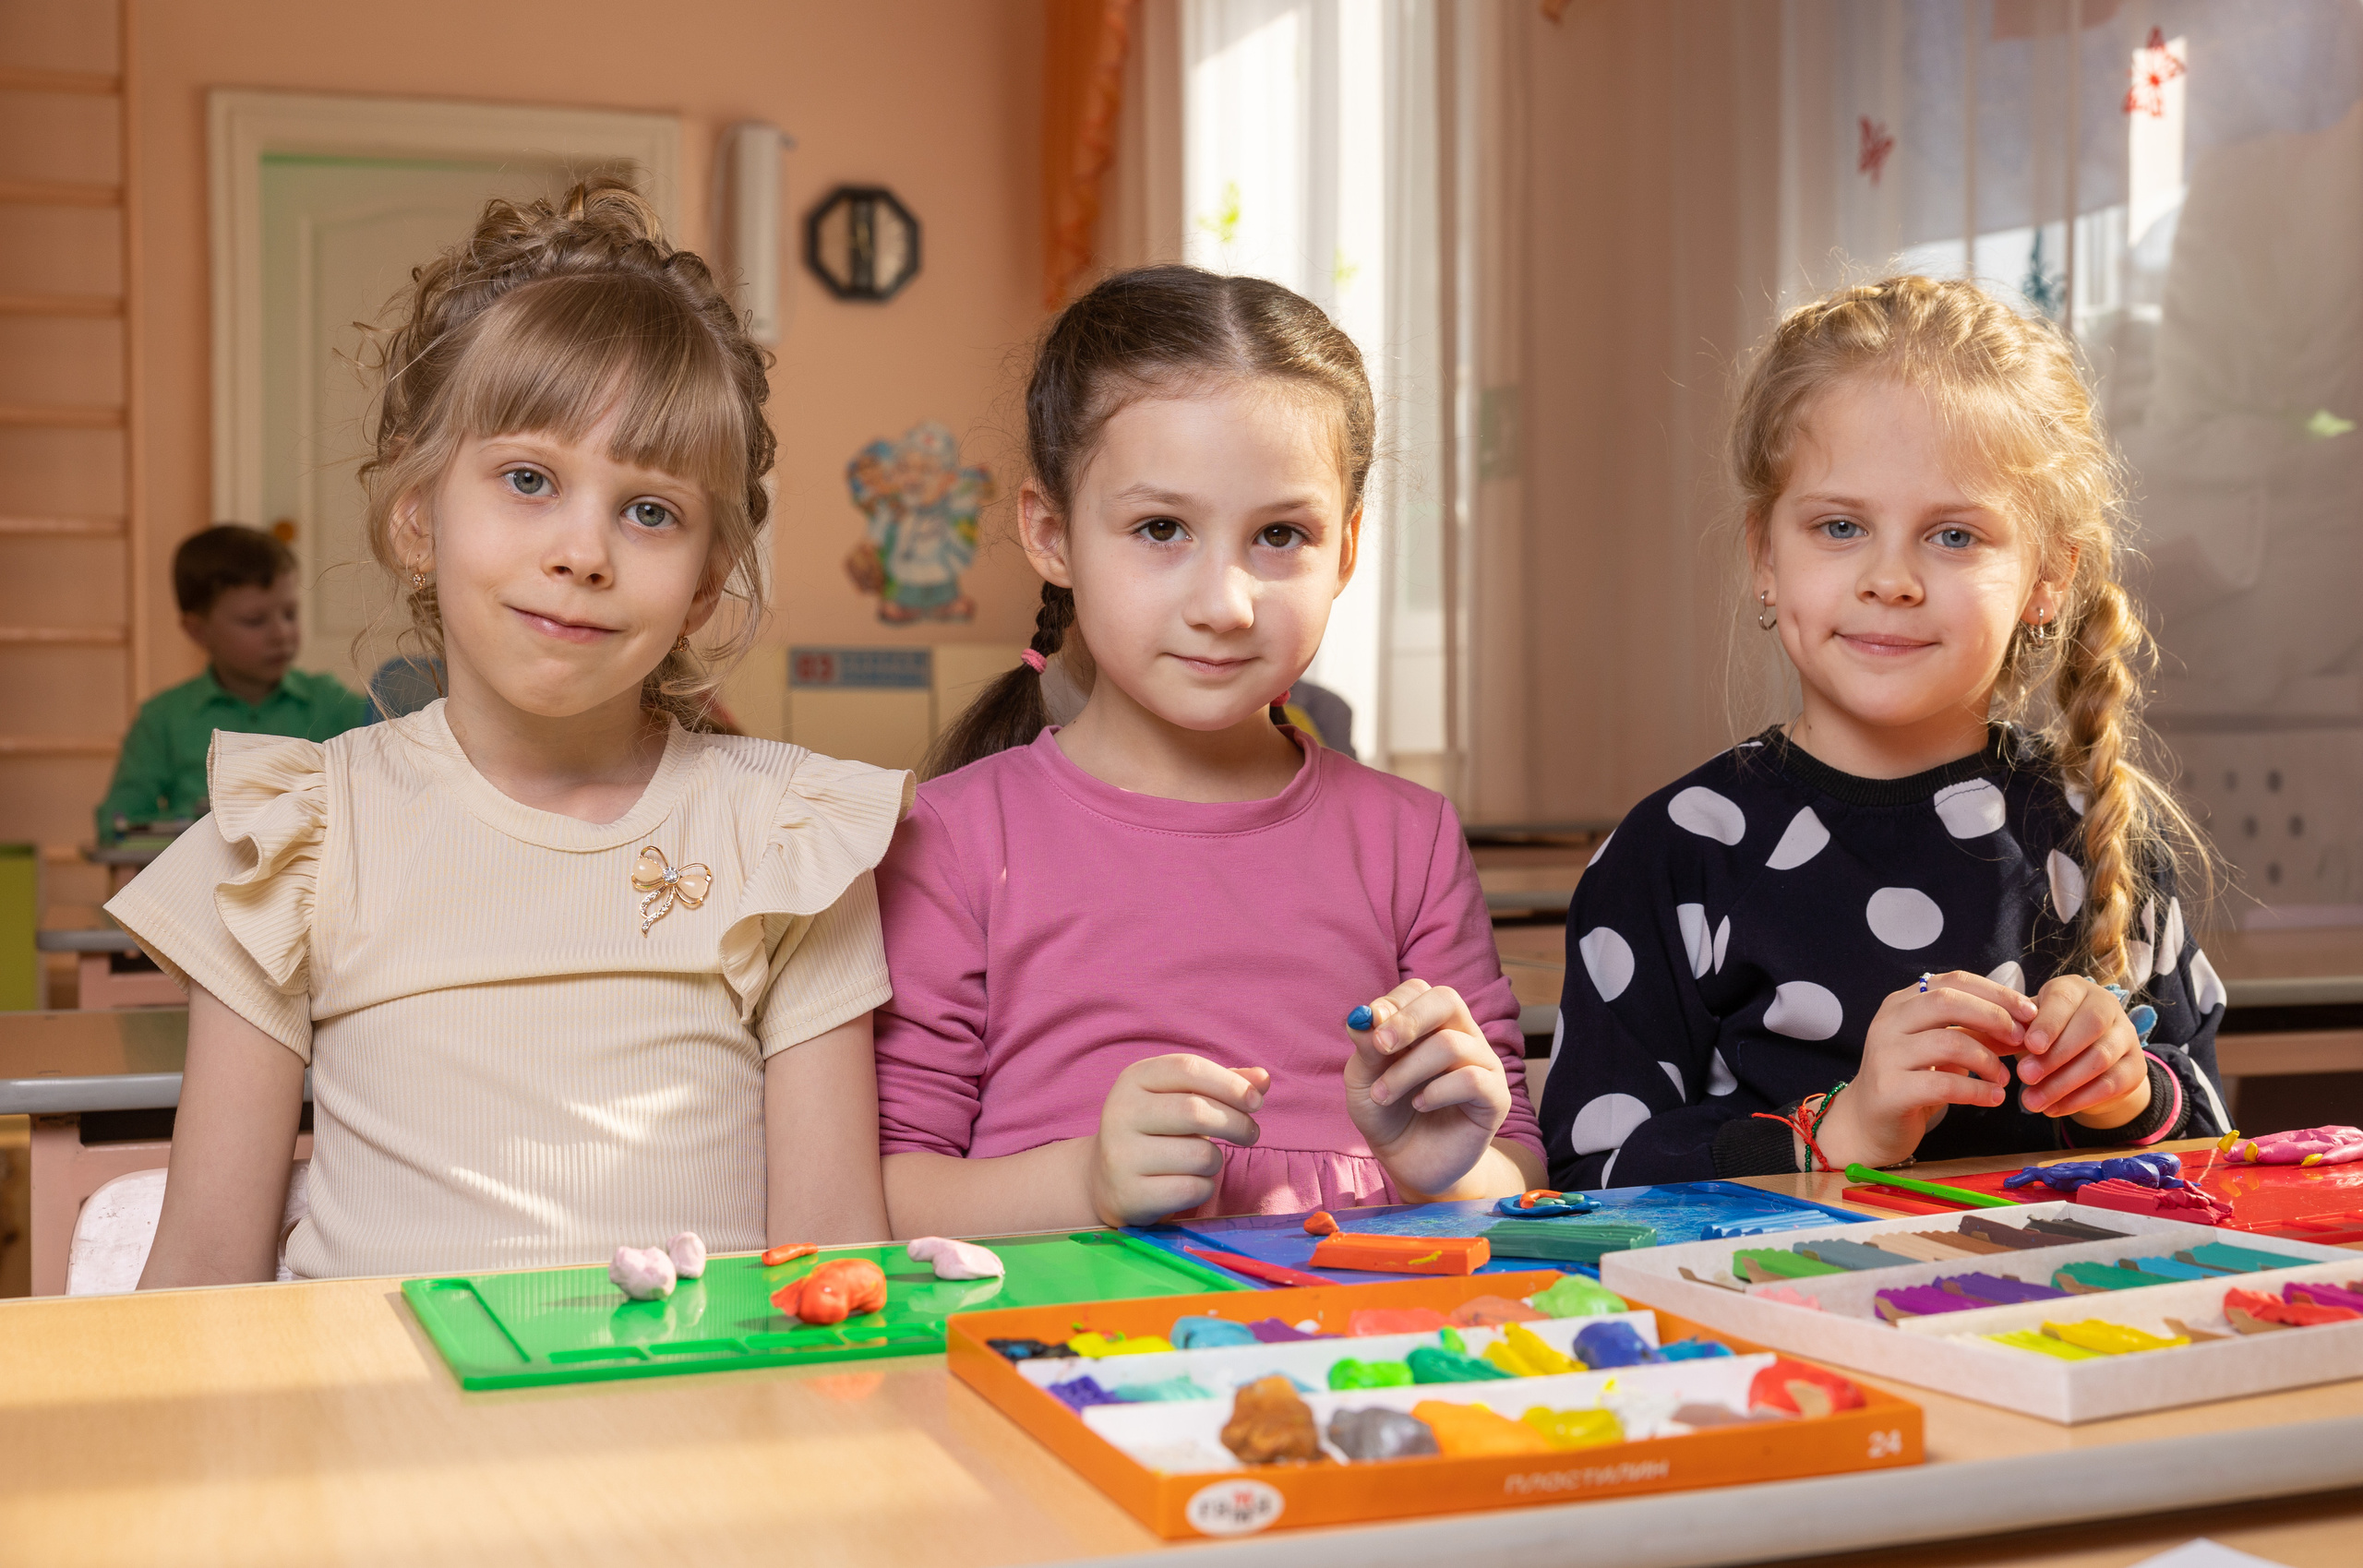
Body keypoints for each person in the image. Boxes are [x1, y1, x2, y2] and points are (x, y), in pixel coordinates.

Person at [111, 182, 908, 1284]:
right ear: (416, 515)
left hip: (693, 1435)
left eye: (650, 510)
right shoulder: (302, 832)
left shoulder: (788, 837)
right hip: (373, 1436)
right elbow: (202, 1268)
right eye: (529, 479)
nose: (585, 551)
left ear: (705, 579)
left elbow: (833, 1269)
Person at [871, 266, 1544, 1236]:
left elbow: (1515, 1161)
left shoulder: (1410, 837)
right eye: (1160, 529)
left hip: (1357, 1351)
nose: (1225, 605)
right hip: (1069, 1362)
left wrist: (1444, 1170)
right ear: (1051, 534)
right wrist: (1085, 1186)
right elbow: (888, 1202)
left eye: (1280, 535)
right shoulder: (950, 838)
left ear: (1346, 551)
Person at [1540, 275, 2229, 1190]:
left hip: (2051, 1325)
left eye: (1953, 536)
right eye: (1838, 525)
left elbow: (2220, 1156)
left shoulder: (2098, 835)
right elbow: (1584, 1176)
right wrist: (1836, 1130)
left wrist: (2126, 1093)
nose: (1891, 579)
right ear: (1764, 556)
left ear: (2046, 577)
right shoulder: (1675, 858)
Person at [95, 526, 367, 839]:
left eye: (290, 614)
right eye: (255, 620)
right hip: (199, 884)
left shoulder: (336, 705)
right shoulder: (161, 720)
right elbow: (116, 826)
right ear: (197, 630)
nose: (281, 634)